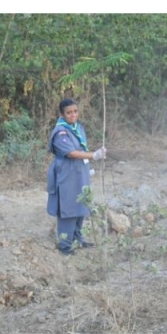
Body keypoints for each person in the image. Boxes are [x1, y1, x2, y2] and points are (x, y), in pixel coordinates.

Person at [46, 98, 106, 255]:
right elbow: (71, 153)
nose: (73, 115)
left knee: (82, 204)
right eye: (68, 113)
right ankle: (65, 245)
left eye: (75, 112)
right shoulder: (61, 132)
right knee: (68, 207)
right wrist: (94, 155)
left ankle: (78, 238)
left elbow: (80, 149)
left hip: (80, 171)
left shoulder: (77, 128)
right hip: (67, 173)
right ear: (61, 114)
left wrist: (87, 167)